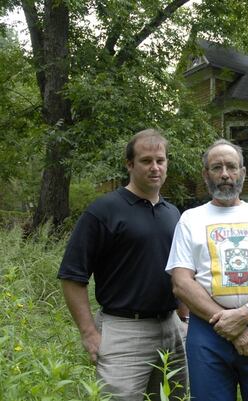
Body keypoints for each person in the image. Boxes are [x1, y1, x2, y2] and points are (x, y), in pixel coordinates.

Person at [58, 129, 188, 401]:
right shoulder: (104, 210)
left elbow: (181, 270)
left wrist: (184, 318)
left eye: (160, 160)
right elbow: (72, 276)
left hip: (172, 328)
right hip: (124, 332)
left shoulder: (173, 213)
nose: (155, 167)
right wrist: (89, 333)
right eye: (146, 160)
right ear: (129, 164)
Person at [165, 138, 248, 401]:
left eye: (232, 167)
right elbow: (181, 282)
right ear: (205, 174)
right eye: (216, 167)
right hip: (208, 328)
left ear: (243, 172)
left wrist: (246, 314)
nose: (225, 174)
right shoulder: (190, 219)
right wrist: (228, 322)